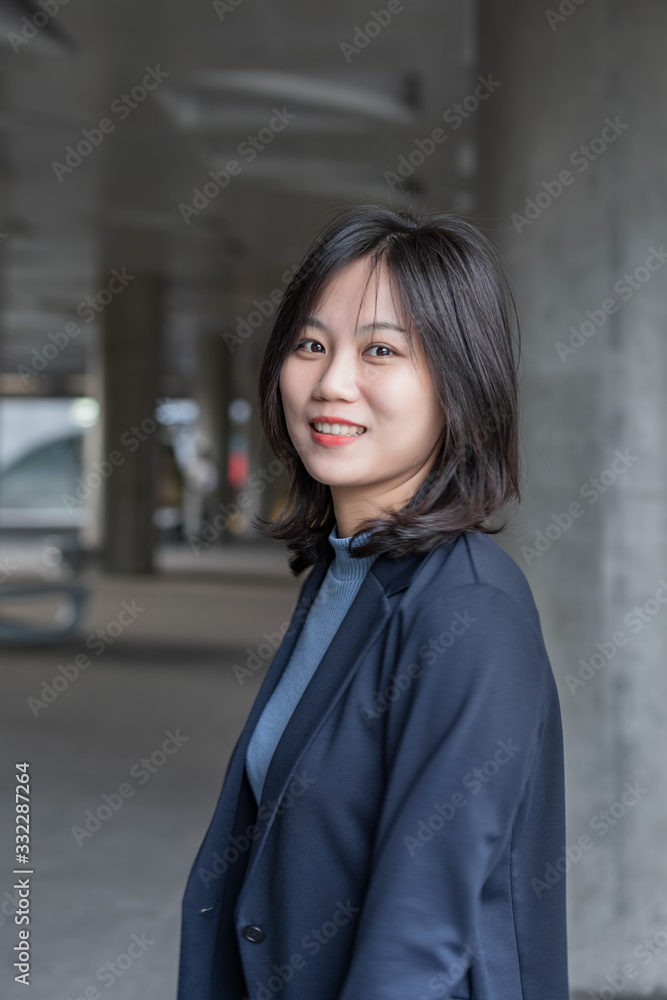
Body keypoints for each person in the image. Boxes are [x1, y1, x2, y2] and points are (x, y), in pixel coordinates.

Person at [176, 205, 569, 1000]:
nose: (330, 383)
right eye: (310, 344)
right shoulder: (344, 572)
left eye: (380, 350)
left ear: (459, 386)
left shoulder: (470, 610)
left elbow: (419, 937)